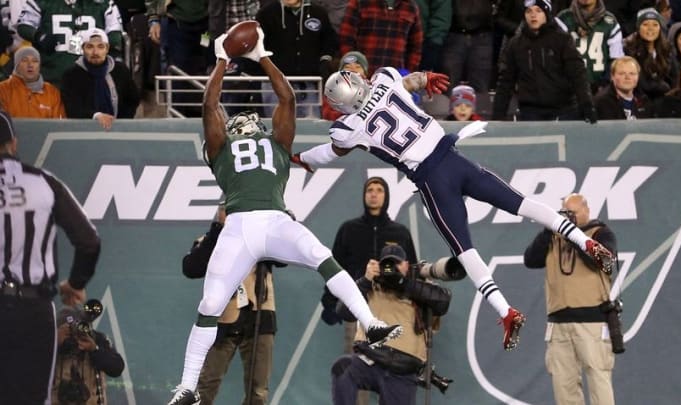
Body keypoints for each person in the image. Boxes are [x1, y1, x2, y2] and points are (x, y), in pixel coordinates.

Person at [292, 64, 617, 351]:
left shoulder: (347, 128)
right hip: (453, 158)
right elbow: (413, 82)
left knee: (464, 249)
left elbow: (333, 151)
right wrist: (425, 78)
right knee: (522, 203)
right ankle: (584, 240)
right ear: (358, 83)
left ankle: (506, 312)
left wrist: (302, 159)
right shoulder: (386, 78)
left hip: (432, 180)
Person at [167, 26, 402, 405]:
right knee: (210, 305)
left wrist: (258, 55)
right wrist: (227, 60)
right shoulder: (223, 149)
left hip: (271, 220)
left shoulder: (274, 144)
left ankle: (371, 323)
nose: (248, 124)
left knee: (322, 257)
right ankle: (188, 386)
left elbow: (285, 100)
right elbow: (213, 106)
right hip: (242, 224)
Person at [0, 109, 101, 404]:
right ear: (14, 144)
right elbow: (89, 241)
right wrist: (76, 283)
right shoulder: (43, 182)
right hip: (31, 307)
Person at [523, 193, 618, 405]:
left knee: (598, 379)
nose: (570, 218)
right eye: (566, 214)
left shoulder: (601, 233)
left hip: (592, 322)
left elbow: (601, 262)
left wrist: (574, 235)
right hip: (558, 324)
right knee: (563, 384)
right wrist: (549, 229)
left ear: (586, 210)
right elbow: (530, 260)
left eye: (573, 213)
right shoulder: (554, 237)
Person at [331, 245, 453, 405]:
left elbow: (443, 302)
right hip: (370, 360)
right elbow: (343, 311)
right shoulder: (372, 285)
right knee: (343, 368)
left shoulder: (420, 285)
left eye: (397, 263)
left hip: (403, 371)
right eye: (388, 264)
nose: (392, 268)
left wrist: (403, 283)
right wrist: (365, 280)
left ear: (407, 265)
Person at [183, 204, 277, 405]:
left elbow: (283, 257)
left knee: (258, 391)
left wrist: (284, 222)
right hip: (222, 319)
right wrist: (218, 229)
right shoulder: (210, 240)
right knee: (206, 385)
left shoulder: (262, 239)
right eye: (229, 210)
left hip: (260, 317)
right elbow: (191, 268)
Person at [321, 177, 418, 345]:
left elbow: (412, 269)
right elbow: (335, 268)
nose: (374, 194)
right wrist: (329, 302)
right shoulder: (349, 230)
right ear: (364, 195)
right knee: (355, 359)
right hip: (356, 303)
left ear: (386, 196)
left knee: (392, 354)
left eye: (379, 190)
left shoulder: (400, 233)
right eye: (370, 190)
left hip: (392, 304)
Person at [492, 0, 597, 122]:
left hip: (564, 109)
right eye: (529, 11)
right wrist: (498, 115)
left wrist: (587, 105)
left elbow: (578, 74)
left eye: (538, 11)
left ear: (546, 13)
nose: (533, 15)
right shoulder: (516, 44)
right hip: (530, 111)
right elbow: (506, 82)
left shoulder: (562, 40)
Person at [256, 0, 338, 118]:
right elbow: (257, 46)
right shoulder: (266, 13)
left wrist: (324, 60)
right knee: (277, 129)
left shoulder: (318, 12)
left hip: (309, 84)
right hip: (275, 85)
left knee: (312, 129)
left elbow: (329, 41)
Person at [15, 0, 124, 84]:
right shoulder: (42, 2)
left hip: (91, 77)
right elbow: (24, 25)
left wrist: (98, 43)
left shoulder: (103, 3)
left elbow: (115, 36)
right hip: (51, 73)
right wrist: (40, 36)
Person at [61, 29, 140, 130]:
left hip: (117, 129)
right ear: (83, 49)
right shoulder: (71, 75)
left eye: (100, 47)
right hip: (83, 131)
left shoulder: (121, 70)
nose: (95, 52)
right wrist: (96, 116)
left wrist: (119, 123)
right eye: (90, 47)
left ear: (107, 49)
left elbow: (132, 99)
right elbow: (72, 106)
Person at [52, 303, 125, 405]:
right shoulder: (49, 342)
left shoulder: (98, 339)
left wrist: (94, 349)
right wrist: (54, 344)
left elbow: (117, 368)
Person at [556, 0, 624, 94]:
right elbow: (555, 56)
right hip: (568, 89)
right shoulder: (563, 19)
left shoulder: (610, 21)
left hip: (601, 88)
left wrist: (605, 84)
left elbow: (616, 59)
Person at [338, 0, 423, 75]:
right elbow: (346, 39)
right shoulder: (359, 2)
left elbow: (415, 47)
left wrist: (407, 74)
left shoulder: (411, 7)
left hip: (395, 81)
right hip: (362, 79)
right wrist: (353, 70)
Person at [622, 8, 676, 102]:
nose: (650, 29)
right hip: (639, 100)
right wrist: (663, 86)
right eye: (645, 24)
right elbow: (641, 83)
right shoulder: (629, 50)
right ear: (638, 28)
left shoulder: (667, 49)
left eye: (655, 25)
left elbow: (674, 76)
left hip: (665, 100)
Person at [0, 46, 65, 118]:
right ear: (17, 66)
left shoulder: (52, 92)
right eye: (24, 60)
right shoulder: (3, 90)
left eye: (35, 61)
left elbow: (59, 125)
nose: (30, 65)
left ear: (39, 66)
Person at [322, 51, 369, 121]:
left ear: (365, 72)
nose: (353, 70)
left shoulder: (373, 88)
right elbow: (326, 113)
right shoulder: (332, 90)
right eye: (347, 67)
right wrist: (345, 113)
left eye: (358, 67)